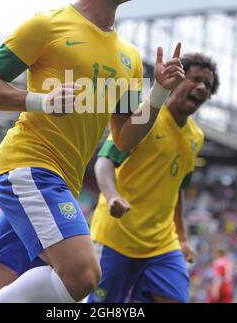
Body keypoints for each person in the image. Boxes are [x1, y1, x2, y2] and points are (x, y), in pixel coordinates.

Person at [0, 0, 184, 303]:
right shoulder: (47, 25)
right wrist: (39, 100)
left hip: (61, 182)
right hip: (29, 167)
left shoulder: (129, 57)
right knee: (84, 275)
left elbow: (124, 137)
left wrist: (160, 91)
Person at [87, 53, 220, 303]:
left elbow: (178, 187)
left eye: (208, 85)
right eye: (195, 80)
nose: (201, 87)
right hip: (116, 237)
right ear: (178, 80)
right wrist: (113, 196)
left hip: (162, 244)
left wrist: (181, 237)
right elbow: (104, 161)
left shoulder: (196, 137)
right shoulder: (146, 117)